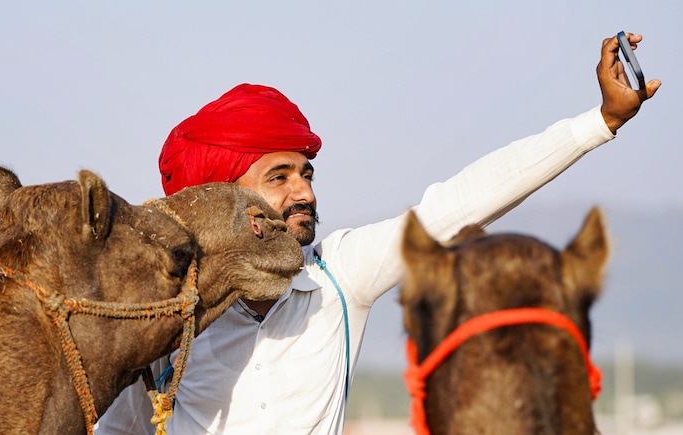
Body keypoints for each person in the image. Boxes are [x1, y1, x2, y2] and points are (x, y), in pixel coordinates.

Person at [95, 32, 660, 434]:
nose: (305, 193)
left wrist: (598, 123)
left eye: (307, 174)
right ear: (225, 198)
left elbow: (461, 203)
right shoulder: (166, 315)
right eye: (280, 177)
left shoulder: (339, 277)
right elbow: (117, 429)